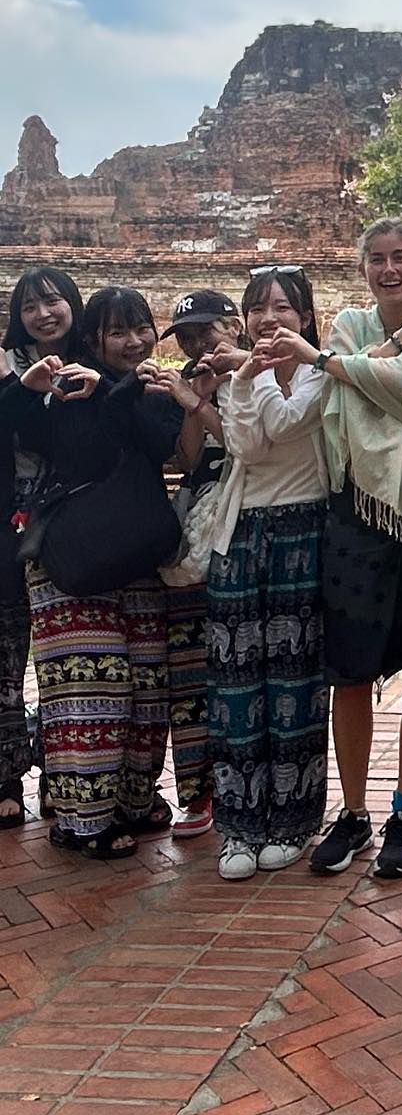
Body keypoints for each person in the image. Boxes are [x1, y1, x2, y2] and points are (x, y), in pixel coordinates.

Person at [268, 218, 402, 880]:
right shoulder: (350, 323)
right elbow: (350, 384)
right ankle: (353, 812)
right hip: (356, 511)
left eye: (400, 257)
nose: (389, 270)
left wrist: (330, 361)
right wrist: (348, 363)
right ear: (362, 270)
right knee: (349, 672)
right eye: (376, 259)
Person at [9, 286, 183, 858]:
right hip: (74, 555)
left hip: (133, 553)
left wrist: (121, 389)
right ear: (94, 338)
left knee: (147, 688)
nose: (132, 341)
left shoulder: (152, 388)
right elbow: (80, 451)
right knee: (91, 687)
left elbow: (158, 445)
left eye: (141, 328)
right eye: (117, 332)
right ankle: (83, 820)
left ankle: (133, 802)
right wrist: (47, 389)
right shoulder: (68, 386)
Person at [199, 268, 330, 881]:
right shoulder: (239, 377)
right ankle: (239, 824)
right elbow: (247, 449)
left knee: (295, 679)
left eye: (282, 307)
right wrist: (246, 377)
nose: (268, 318)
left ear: (305, 317)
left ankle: (294, 818)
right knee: (235, 683)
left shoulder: (320, 372)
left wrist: (254, 374)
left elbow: (283, 424)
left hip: (303, 528)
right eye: (257, 308)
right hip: (241, 533)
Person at [153, 286, 246, 841]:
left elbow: (247, 446)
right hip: (199, 527)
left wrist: (200, 402)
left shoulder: (259, 372)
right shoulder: (190, 381)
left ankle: (247, 785)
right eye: (186, 337)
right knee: (190, 667)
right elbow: (189, 458)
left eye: (206, 331)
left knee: (242, 665)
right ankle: (198, 790)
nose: (197, 344)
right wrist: (194, 397)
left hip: (244, 525)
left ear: (234, 325)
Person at [0, 267, 86, 825]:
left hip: (71, 526)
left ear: (72, 303)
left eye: (52, 301)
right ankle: (6, 776)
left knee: (63, 661)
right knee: (8, 655)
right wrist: (23, 390)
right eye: (29, 307)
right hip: (9, 524)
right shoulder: (5, 367)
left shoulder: (92, 361)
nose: (43, 314)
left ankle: (62, 775)